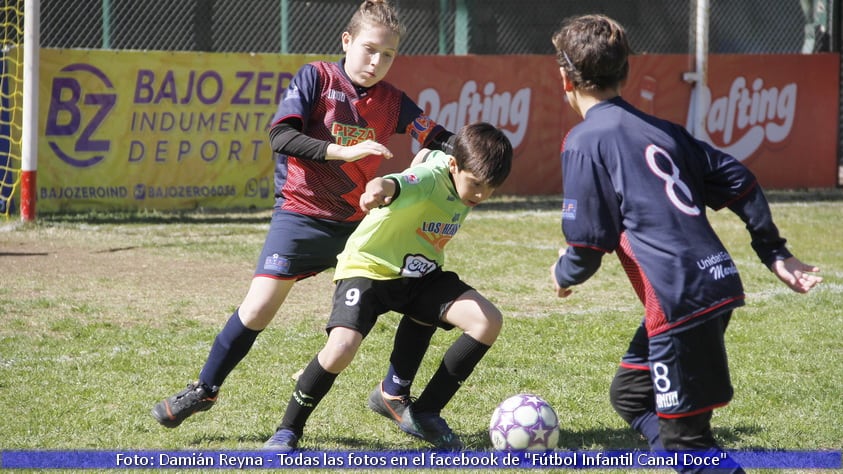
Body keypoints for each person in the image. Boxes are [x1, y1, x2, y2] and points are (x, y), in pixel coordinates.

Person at [151, 0, 456, 429]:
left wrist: (470, 150)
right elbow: (280, 135)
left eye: (388, 55)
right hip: (301, 214)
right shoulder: (317, 77)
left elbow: (435, 134)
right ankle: (205, 389)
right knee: (257, 309)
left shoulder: (393, 102)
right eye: (369, 49)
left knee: (416, 287)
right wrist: (344, 151)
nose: (377, 61)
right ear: (346, 41)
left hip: (359, 228)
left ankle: (393, 392)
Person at [548, 13, 822, 472]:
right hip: (712, 285)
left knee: (688, 445)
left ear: (564, 78)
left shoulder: (584, 140)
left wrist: (563, 274)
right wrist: (772, 250)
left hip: (679, 302)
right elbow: (741, 180)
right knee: (632, 394)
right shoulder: (665, 131)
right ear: (626, 71)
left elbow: (588, 245)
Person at [262, 122, 513, 451]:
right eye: (476, 184)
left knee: (487, 322)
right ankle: (288, 429)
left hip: (418, 273)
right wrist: (376, 191)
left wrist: (426, 155)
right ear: (454, 166)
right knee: (341, 348)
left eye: (490, 188)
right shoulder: (430, 179)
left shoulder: (456, 169)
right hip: (368, 267)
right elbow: (395, 182)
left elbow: (431, 154)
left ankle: (423, 412)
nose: (480, 195)